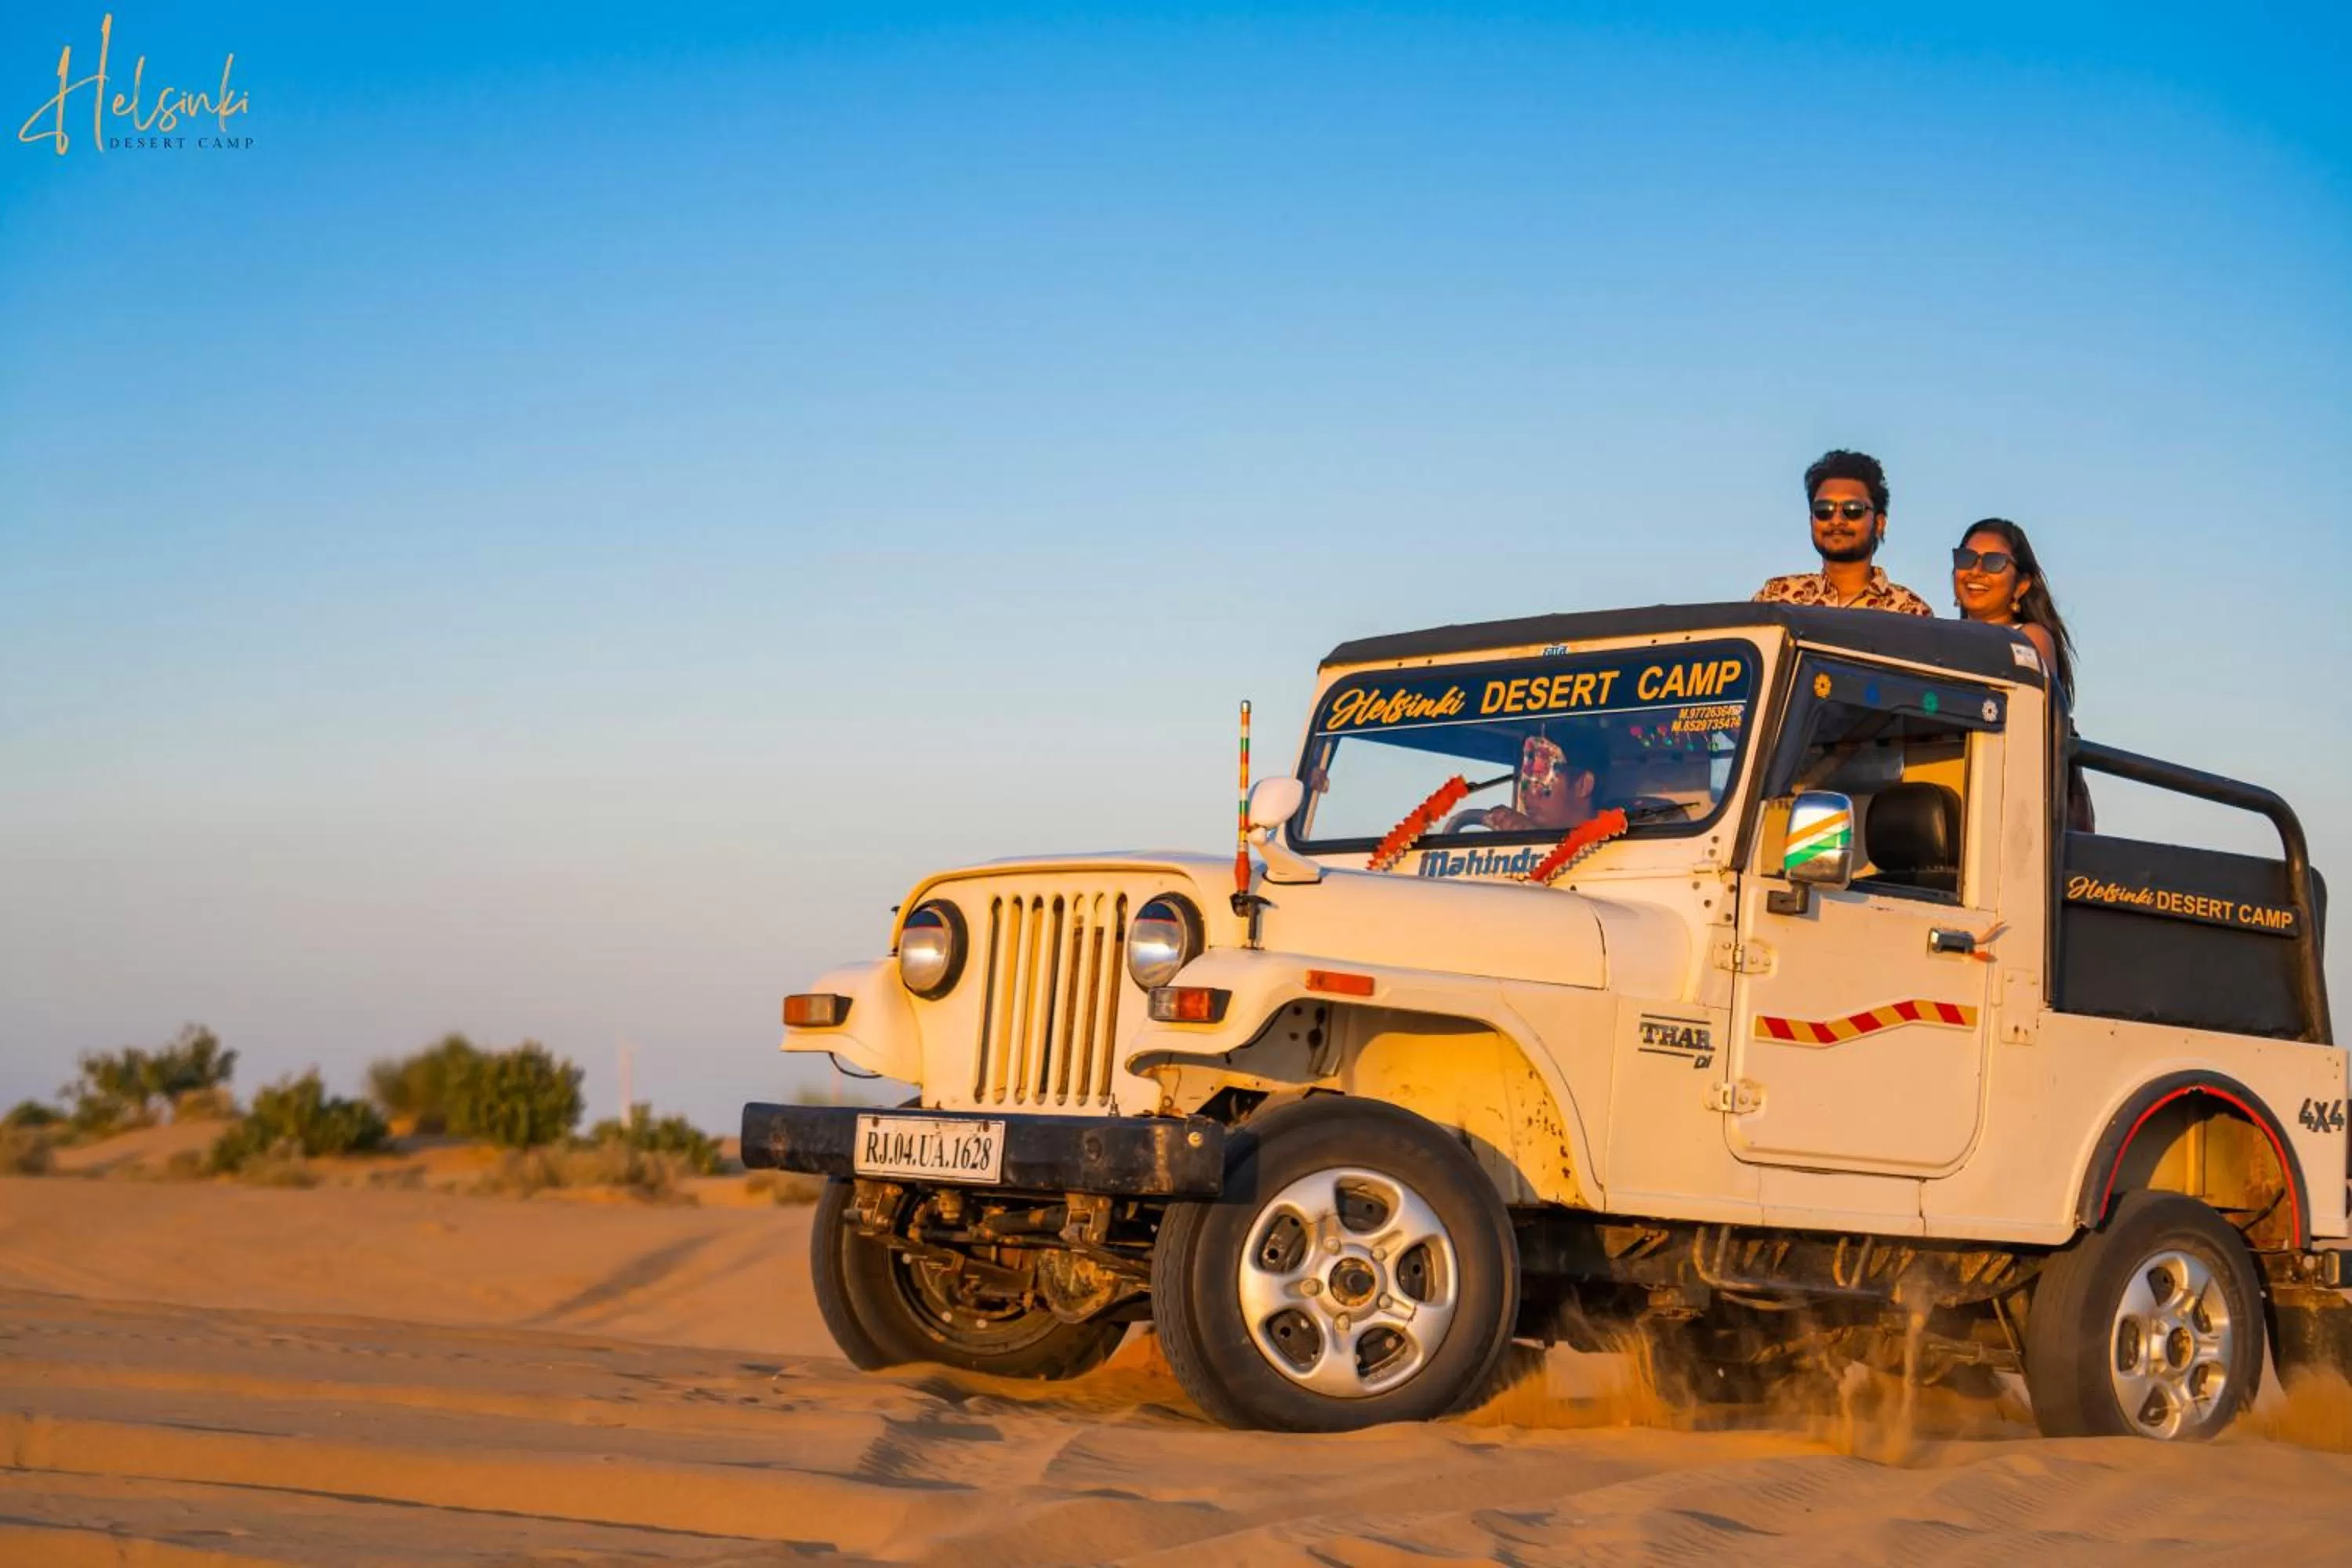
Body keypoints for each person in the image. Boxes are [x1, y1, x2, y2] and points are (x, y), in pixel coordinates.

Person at [1951, 517, 2095, 830]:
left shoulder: (2029, 638)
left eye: (1994, 562)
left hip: (2011, 801)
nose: (1976, 571)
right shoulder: (1942, 641)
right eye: (1966, 558)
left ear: (2022, 584)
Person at [1754, 449, 1933, 615]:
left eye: (1853, 509)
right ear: (1811, 521)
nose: (1837, 520)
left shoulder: (1910, 612)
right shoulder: (1776, 598)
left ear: (1879, 524)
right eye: (1824, 510)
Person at [1477, 731, 1601, 833]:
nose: (1525, 795)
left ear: (1583, 785)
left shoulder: (1615, 846)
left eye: (1542, 778)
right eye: (1525, 779)